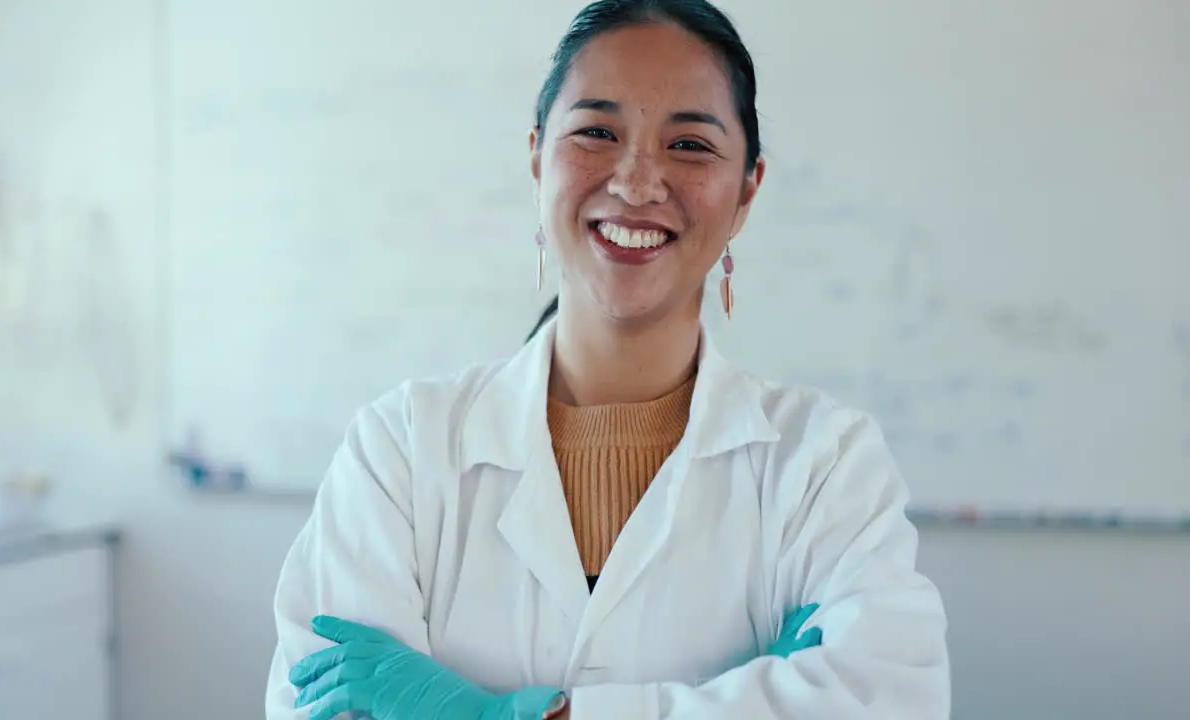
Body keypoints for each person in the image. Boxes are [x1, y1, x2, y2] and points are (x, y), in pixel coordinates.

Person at [266, 1, 951, 718]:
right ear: (537, 157)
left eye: (689, 145)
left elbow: (890, 702)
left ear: (749, 188)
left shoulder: (827, 466)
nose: (636, 181)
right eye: (597, 132)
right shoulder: (400, 450)